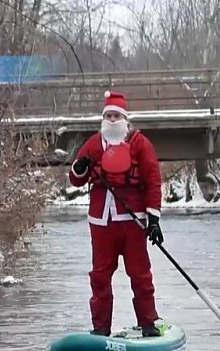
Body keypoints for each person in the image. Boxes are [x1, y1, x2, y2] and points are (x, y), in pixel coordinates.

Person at [68, 90, 165, 337]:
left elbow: (153, 181)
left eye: (116, 116)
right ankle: (101, 328)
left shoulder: (140, 144)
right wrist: (79, 168)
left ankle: (148, 323)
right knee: (100, 276)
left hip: (132, 221)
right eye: (108, 116)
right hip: (101, 222)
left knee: (140, 274)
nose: (112, 120)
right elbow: (76, 179)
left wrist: (153, 220)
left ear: (124, 119)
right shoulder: (93, 145)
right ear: (103, 119)